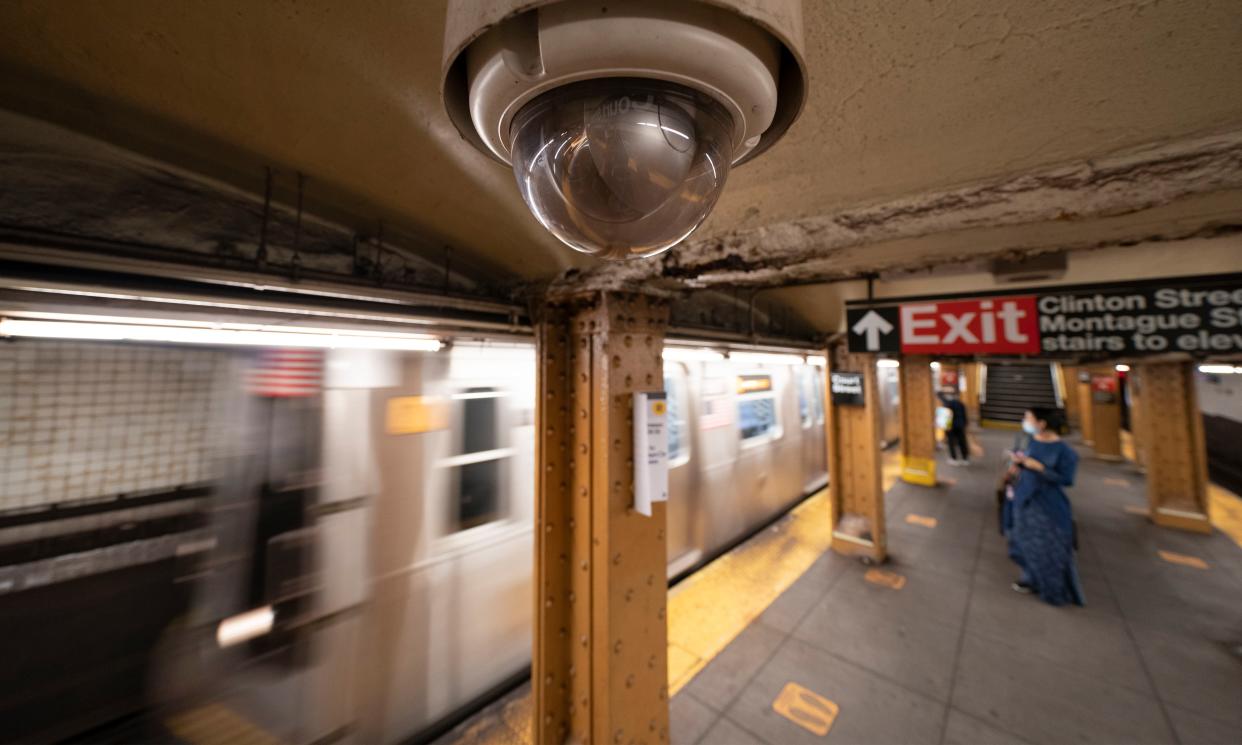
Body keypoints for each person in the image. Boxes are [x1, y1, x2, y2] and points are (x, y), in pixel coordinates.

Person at [1006, 407, 1084, 606]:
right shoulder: (1031, 441)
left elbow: (1066, 480)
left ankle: (1052, 589)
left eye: (1028, 418)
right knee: (1022, 541)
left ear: (1042, 423)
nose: (1025, 420)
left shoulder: (1066, 452)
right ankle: (1030, 577)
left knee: (1048, 548)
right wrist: (1019, 464)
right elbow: (1026, 464)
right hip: (1024, 497)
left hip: (1048, 504)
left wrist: (1040, 468)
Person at [938, 387, 970, 465]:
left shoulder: (946, 403)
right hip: (960, 425)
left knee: (951, 442)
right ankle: (965, 458)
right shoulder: (960, 403)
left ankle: (954, 458)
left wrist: (945, 426)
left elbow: (945, 416)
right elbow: (964, 415)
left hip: (951, 426)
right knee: (962, 441)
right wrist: (965, 423)